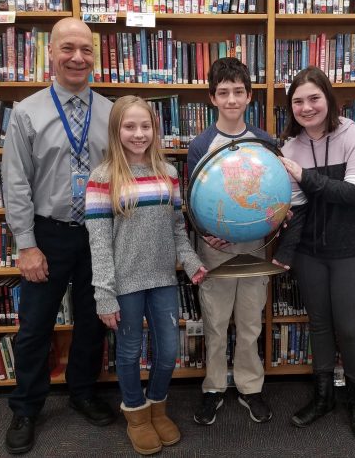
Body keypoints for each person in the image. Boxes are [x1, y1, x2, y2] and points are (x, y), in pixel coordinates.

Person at [1, 18, 116, 454]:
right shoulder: (27, 112)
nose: (77, 58)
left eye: (85, 50)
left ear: (94, 57)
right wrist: (26, 244)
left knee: (92, 319)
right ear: (50, 53)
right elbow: (15, 183)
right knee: (34, 327)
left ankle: (83, 392)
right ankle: (25, 407)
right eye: (68, 48)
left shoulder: (111, 112)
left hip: (100, 233)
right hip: (48, 234)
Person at [84, 95, 207, 455]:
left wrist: (192, 261)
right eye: (129, 126)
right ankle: (136, 414)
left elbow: (176, 229)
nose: (138, 134)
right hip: (124, 284)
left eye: (145, 126)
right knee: (129, 352)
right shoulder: (102, 178)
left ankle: (158, 405)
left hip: (163, 279)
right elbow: (100, 243)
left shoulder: (168, 173)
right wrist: (104, 293)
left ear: (155, 129)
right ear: (116, 130)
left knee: (169, 351)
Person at [271, 65, 355, 439]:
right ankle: (323, 395)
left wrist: (303, 174)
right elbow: (297, 210)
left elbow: (352, 195)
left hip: (351, 249)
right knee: (318, 324)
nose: (306, 107)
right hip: (310, 253)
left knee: (348, 326)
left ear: (328, 99)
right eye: (298, 101)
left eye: (314, 98)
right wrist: (286, 252)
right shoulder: (290, 148)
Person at [187, 57, 273, 425]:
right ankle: (214, 388)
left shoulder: (266, 142)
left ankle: (251, 387)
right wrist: (205, 232)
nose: (231, 99)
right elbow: (191, 200)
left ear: (250, 96)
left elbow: (276, 196)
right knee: (216, 321)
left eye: (239, 91)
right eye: (223, 92)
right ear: (212, 98)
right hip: (215, 248)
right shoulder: (201, 144)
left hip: (255, 246)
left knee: (251, 321)